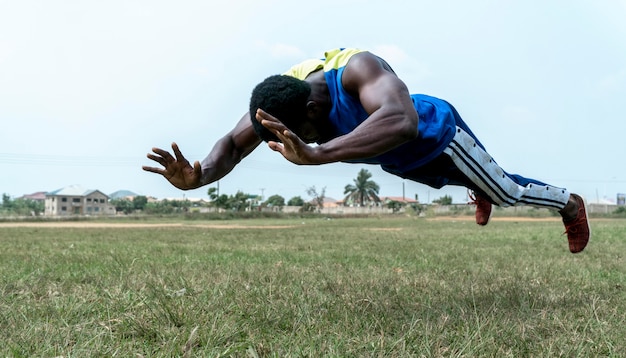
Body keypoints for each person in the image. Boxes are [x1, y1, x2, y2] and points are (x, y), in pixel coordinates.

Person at [142, 48, 590, 253]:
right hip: (398, 157)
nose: (307, 142)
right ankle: (479, 187)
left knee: (508, 190)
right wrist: (198, 177)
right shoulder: (280, 102)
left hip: (438, 136)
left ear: (315, 109)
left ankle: (568, 204)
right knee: (466, 181)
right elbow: (231, 145)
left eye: (306, 135)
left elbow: (401, 120)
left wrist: (320, 154)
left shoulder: (358, 70)